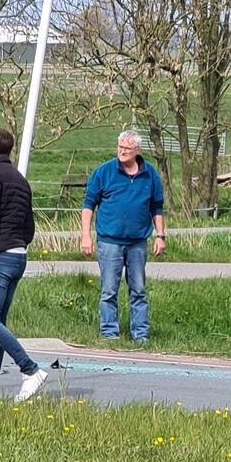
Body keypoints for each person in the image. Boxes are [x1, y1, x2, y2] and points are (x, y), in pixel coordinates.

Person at [0, 127, 47, 402]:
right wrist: (20, 244)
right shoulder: (20, 179)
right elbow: (29, 224)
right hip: (18, 256)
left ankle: (31, 370)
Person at [81, 130, 165, 342]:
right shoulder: (104, 172)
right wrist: (86, 235)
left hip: (138, 242)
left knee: (138, 289)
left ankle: (141, 334)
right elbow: (88, 204)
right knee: (109, 289)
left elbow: (157, 207)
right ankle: (109, 333)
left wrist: (160, 235)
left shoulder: (150, 174)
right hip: (110, 241)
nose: (122, 151)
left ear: (137, 150)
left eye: (127, 148)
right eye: (120, 146)